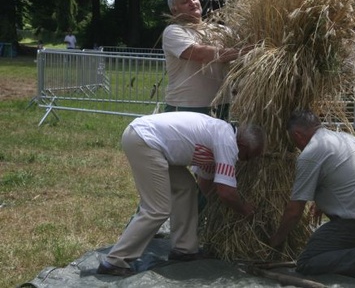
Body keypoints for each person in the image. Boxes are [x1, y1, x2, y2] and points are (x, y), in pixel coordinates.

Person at [97, 112, 266, 277]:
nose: (245, 161)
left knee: (186, 187)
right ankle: (115, 261)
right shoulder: (227, 143)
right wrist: (245, 210)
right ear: (242, 146)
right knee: (157, 208)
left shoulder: (220, 138)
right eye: (248, 157)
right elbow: (226, 191)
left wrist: (209, 208)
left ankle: (184, 249)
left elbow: (204, 185)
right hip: (144, 140)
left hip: (148, 140)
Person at [269, 110, 355, 283]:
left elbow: (294, 211)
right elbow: (346, 176)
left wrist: (276, 240)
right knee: (326, 243)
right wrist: (323, 202)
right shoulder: (344, 138)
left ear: (297, 135)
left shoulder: (310, 153)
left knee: (307, 261)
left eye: (293, 140)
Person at [162, 0, 252, 120]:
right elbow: (199, 53)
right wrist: (241, 52)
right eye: (185, 1)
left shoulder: (221, 31)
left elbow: (239, 58)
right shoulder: (174, 31)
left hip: (221, 106)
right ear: (175, 10)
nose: (192, 3)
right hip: (185, 108)